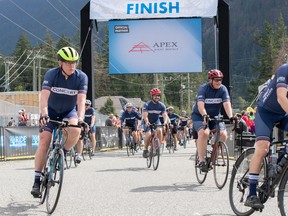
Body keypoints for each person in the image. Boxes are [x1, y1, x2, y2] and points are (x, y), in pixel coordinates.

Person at [30, 46, 88, 198]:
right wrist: (44, 113)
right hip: (51, 112)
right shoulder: (52, 74)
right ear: (60, 63)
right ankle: (37, 180)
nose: (72, 65)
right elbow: (44, 97)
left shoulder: (81, 77)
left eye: (74, 62)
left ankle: (63, 153)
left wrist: (81, 118)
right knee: (44, 140)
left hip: (69, 112)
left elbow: (81, 101)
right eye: (68, 62)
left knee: (76, 129)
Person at [244, 64, 288, 210]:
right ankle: (251, 194)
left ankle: (278, 166)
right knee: (263, 148)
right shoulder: (284, 70)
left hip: (283, 114)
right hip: (266, 113)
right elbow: (282, 97)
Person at [192, 69, 234, 172]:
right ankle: (201, 161)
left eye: (220, 80)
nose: (218, 82)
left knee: (223, 134)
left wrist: (231, 116)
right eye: (216, 80)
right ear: (210, 80)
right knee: (204, 133)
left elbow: (227, 104)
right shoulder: (203, 89)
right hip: (199, 115)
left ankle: (214, 155)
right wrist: (205, 115)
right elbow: (201, 105)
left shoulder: (223, 89)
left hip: (215, 116)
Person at [142, 88, 168, 158]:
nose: (157, 97)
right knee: (149, 134)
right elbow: (145, 115)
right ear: (152, 96)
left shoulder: (161, 105)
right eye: (155, 95)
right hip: (147, 121)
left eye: (158, 95)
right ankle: (145, 150)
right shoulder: (147, 104)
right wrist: (147, 121)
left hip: (156, 120)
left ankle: (157, 147)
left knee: (160, 130)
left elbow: (165, 115)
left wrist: (165, 122)